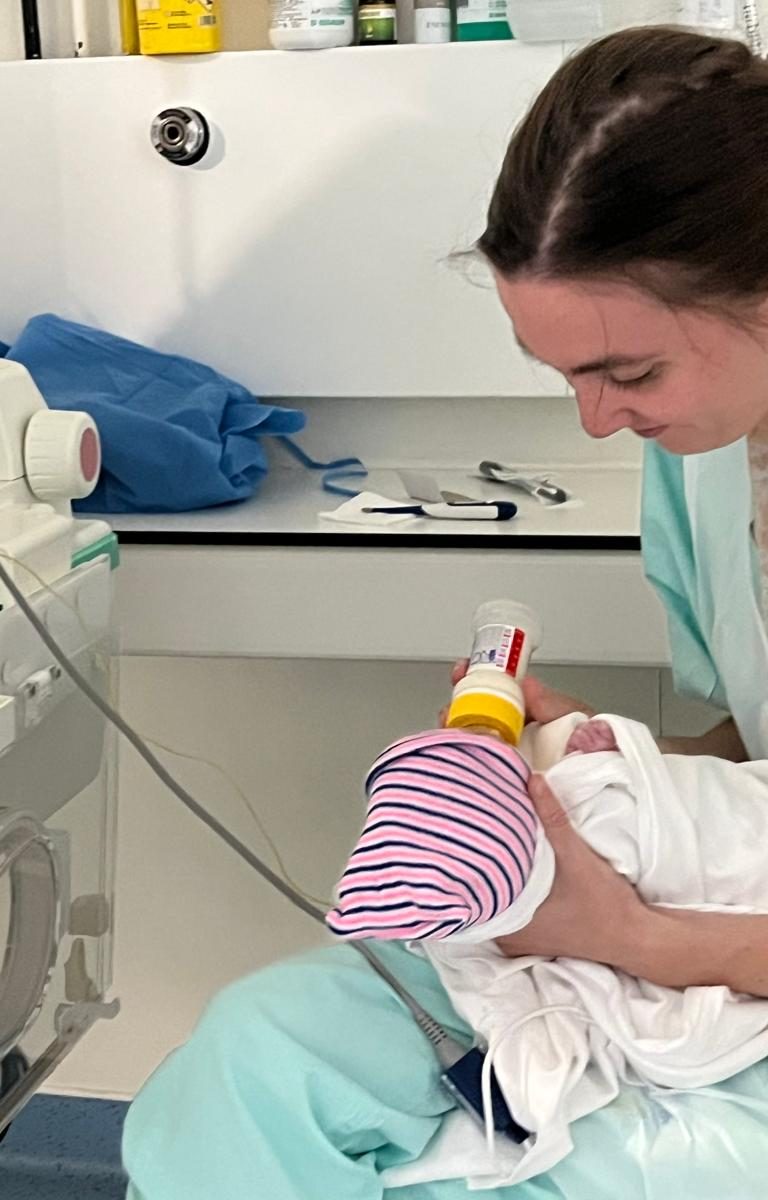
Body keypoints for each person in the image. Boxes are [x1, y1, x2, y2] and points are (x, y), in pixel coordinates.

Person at [123, 26, 768, 1200]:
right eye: (560, 372)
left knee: (479, 1180)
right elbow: (748, 754)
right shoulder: (705, 459)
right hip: (683, 915)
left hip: (694, 955)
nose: (595, 421)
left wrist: (631, 938)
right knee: (247, 1072)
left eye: (629, 375)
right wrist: (594, 762)